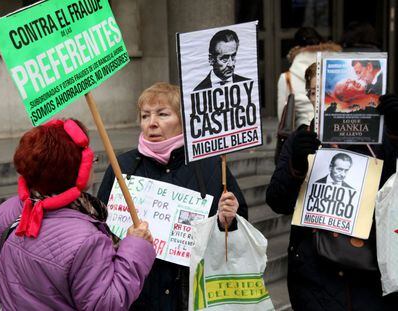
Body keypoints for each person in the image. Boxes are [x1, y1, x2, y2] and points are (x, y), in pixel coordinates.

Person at [98, 82, 248, 310]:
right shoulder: (123, 167)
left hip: (192, 294)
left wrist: (228, 221)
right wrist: (123, 241)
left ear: (182, 120)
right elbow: (100, 230)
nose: (152, 123)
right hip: (139, 293)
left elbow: (238, 234)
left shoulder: (210, 166)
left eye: (162, 114)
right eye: (145, 116)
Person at [0, 118, 156, 310]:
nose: (91, 164)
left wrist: (19, 298)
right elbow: (107, 304)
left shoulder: (8, 210)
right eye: (89, 158)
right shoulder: (87, 240)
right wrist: (136, 246)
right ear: (77, 170)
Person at [266, 62, 398, 310]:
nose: (325, 98)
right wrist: (296, 166)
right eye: (318, 92)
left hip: (369, 271)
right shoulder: (300, 138)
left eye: (330, 90)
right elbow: (277, 201)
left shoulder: (379, 138)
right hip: (314, 274)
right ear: (309, 97)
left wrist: (394, 133)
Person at [277, 27, 341, 128]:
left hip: (303, 135)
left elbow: (283, 119)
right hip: (335, 130)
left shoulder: (286, 78)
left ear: (295, 48)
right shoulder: (338, 69)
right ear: (321, 43)